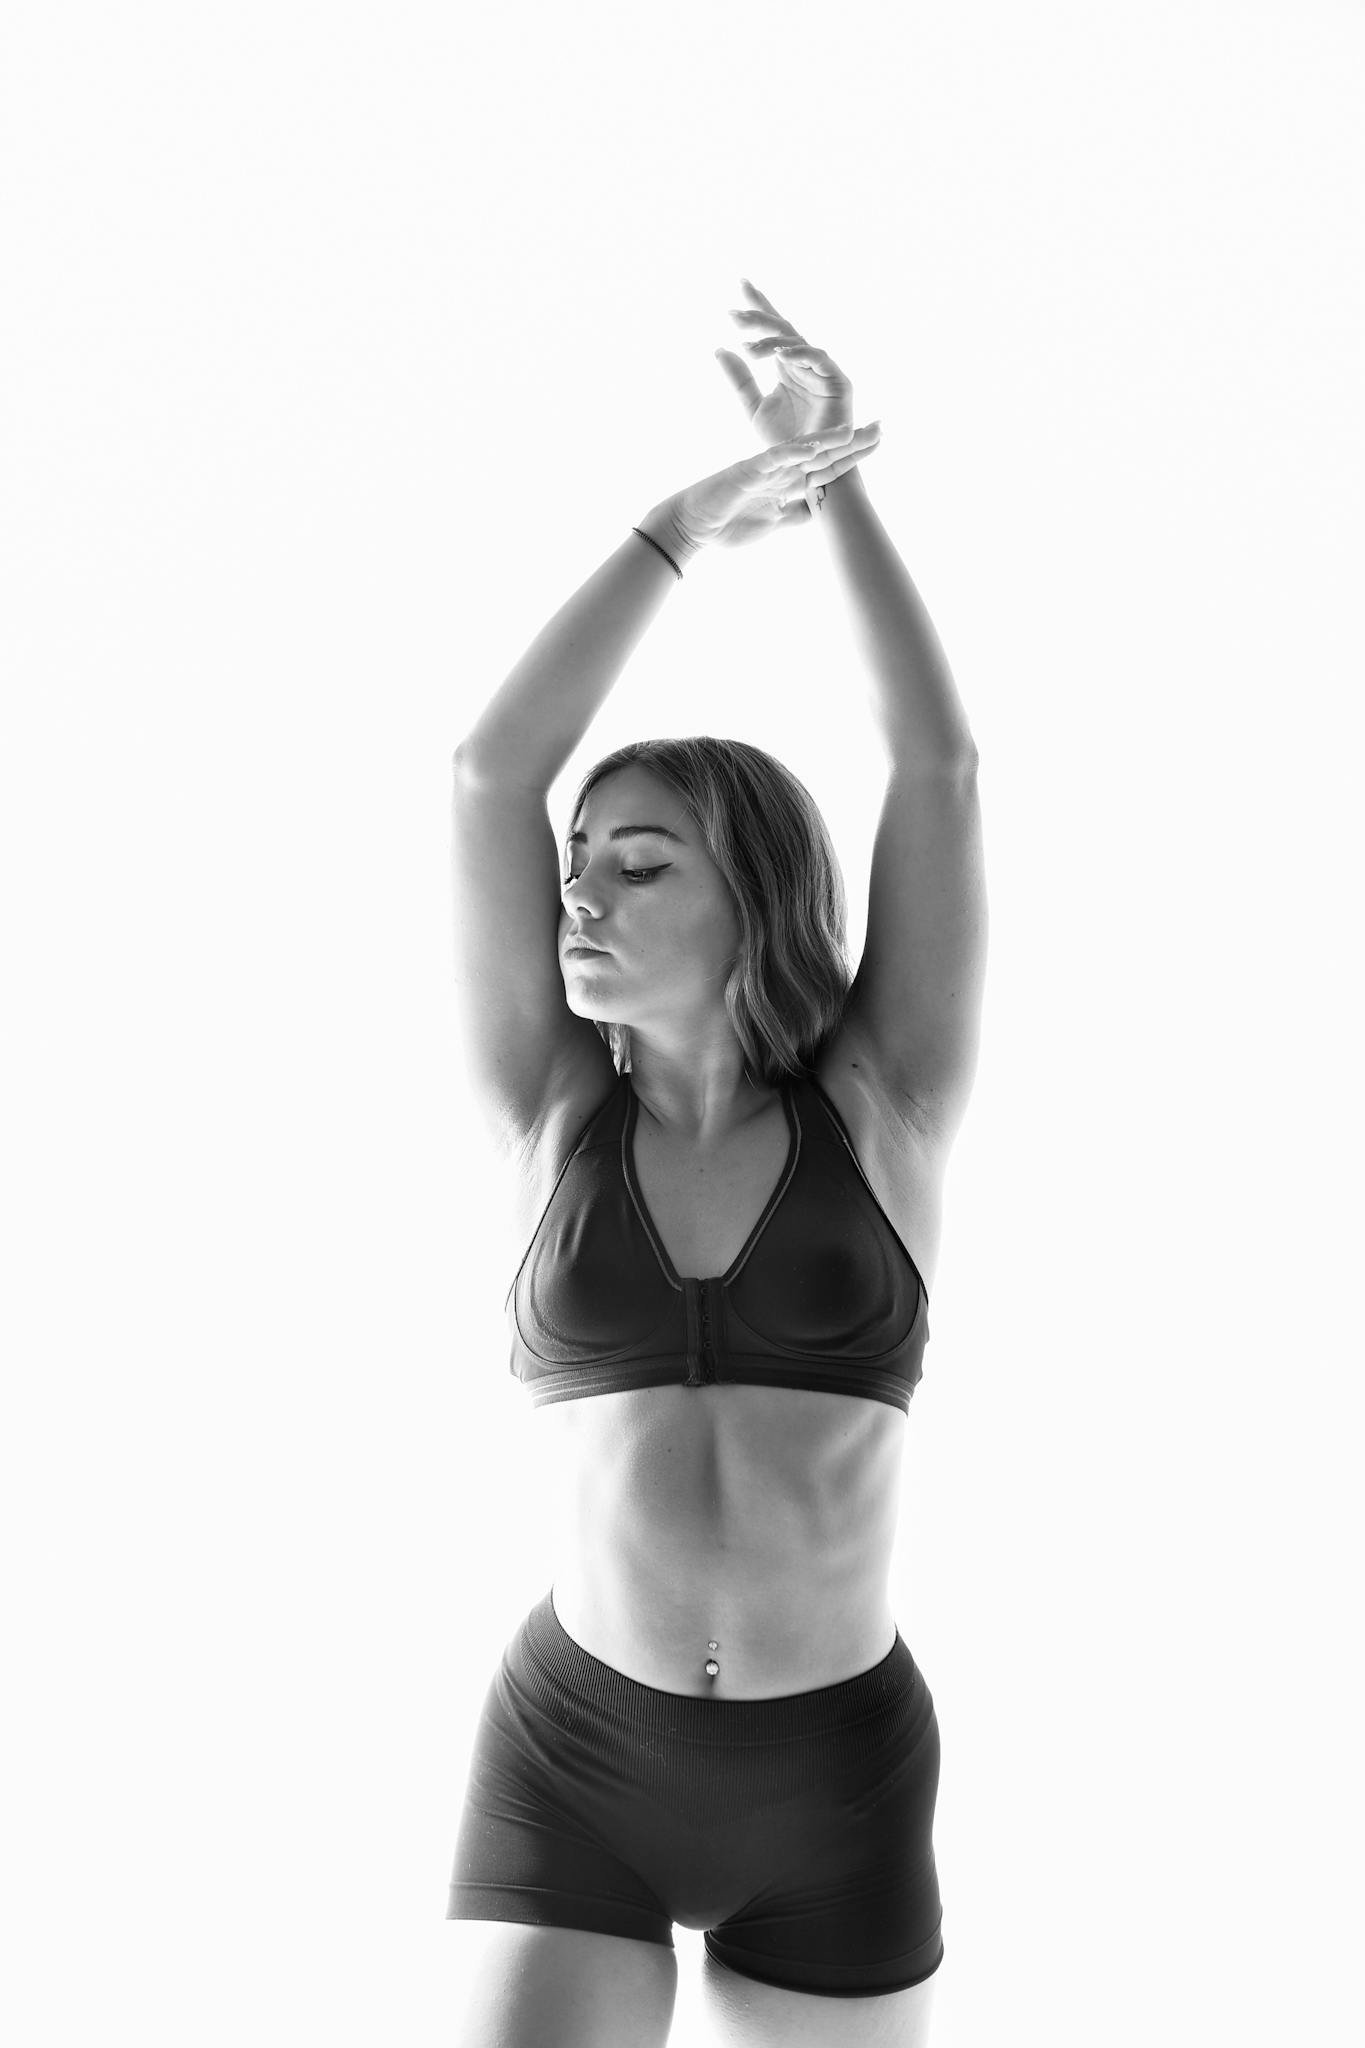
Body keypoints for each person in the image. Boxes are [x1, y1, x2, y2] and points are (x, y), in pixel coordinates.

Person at [446, 280, 987, 2048]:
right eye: (578, 866)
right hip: (574, 1764)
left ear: (749, 894)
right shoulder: (550, 1113)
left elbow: (935, 762)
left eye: (639, 865)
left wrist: (830, 484)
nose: (580, 897)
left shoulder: (883, 1104)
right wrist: (680, 525)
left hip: (834, 1786)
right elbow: (488, 773)